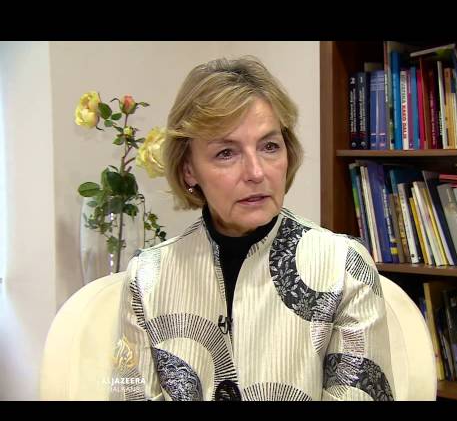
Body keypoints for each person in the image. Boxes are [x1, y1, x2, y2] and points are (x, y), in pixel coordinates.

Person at [111, 56, 395, 401]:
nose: (256, 172)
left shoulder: (344, 266)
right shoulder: (146, 278)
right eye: (226, 153)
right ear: (188, 169)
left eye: (269, 146)